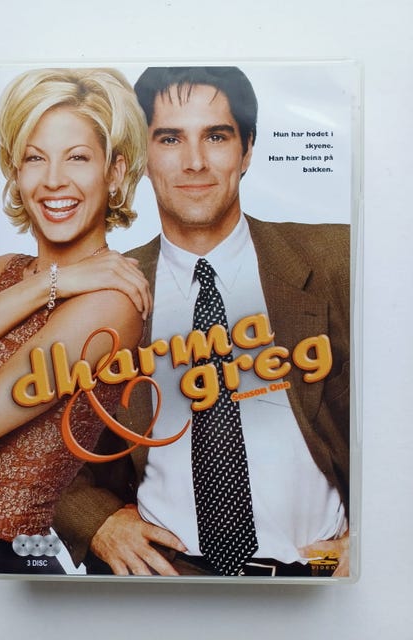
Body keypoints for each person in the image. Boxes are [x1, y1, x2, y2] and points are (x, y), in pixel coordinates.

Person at [53, 66, 350, 578]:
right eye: (170, 139)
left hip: (320, 577)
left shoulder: (337, 259)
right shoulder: (104, 293)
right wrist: (98, 521)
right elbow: (39, 449)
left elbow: (396, 418)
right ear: (142, 157)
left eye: (216, 136)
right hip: (169, 579)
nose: (194, 162)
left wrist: (377, 537)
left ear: (247, 150)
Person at [0, 67, 153, 574]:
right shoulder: (1, 272)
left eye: (77, 157)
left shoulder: (113, 302)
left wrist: (59, 282)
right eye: (34, 157)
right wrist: (51, 281)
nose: (53, 179)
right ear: (16, 173)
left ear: (115, 172)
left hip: (12, 558)